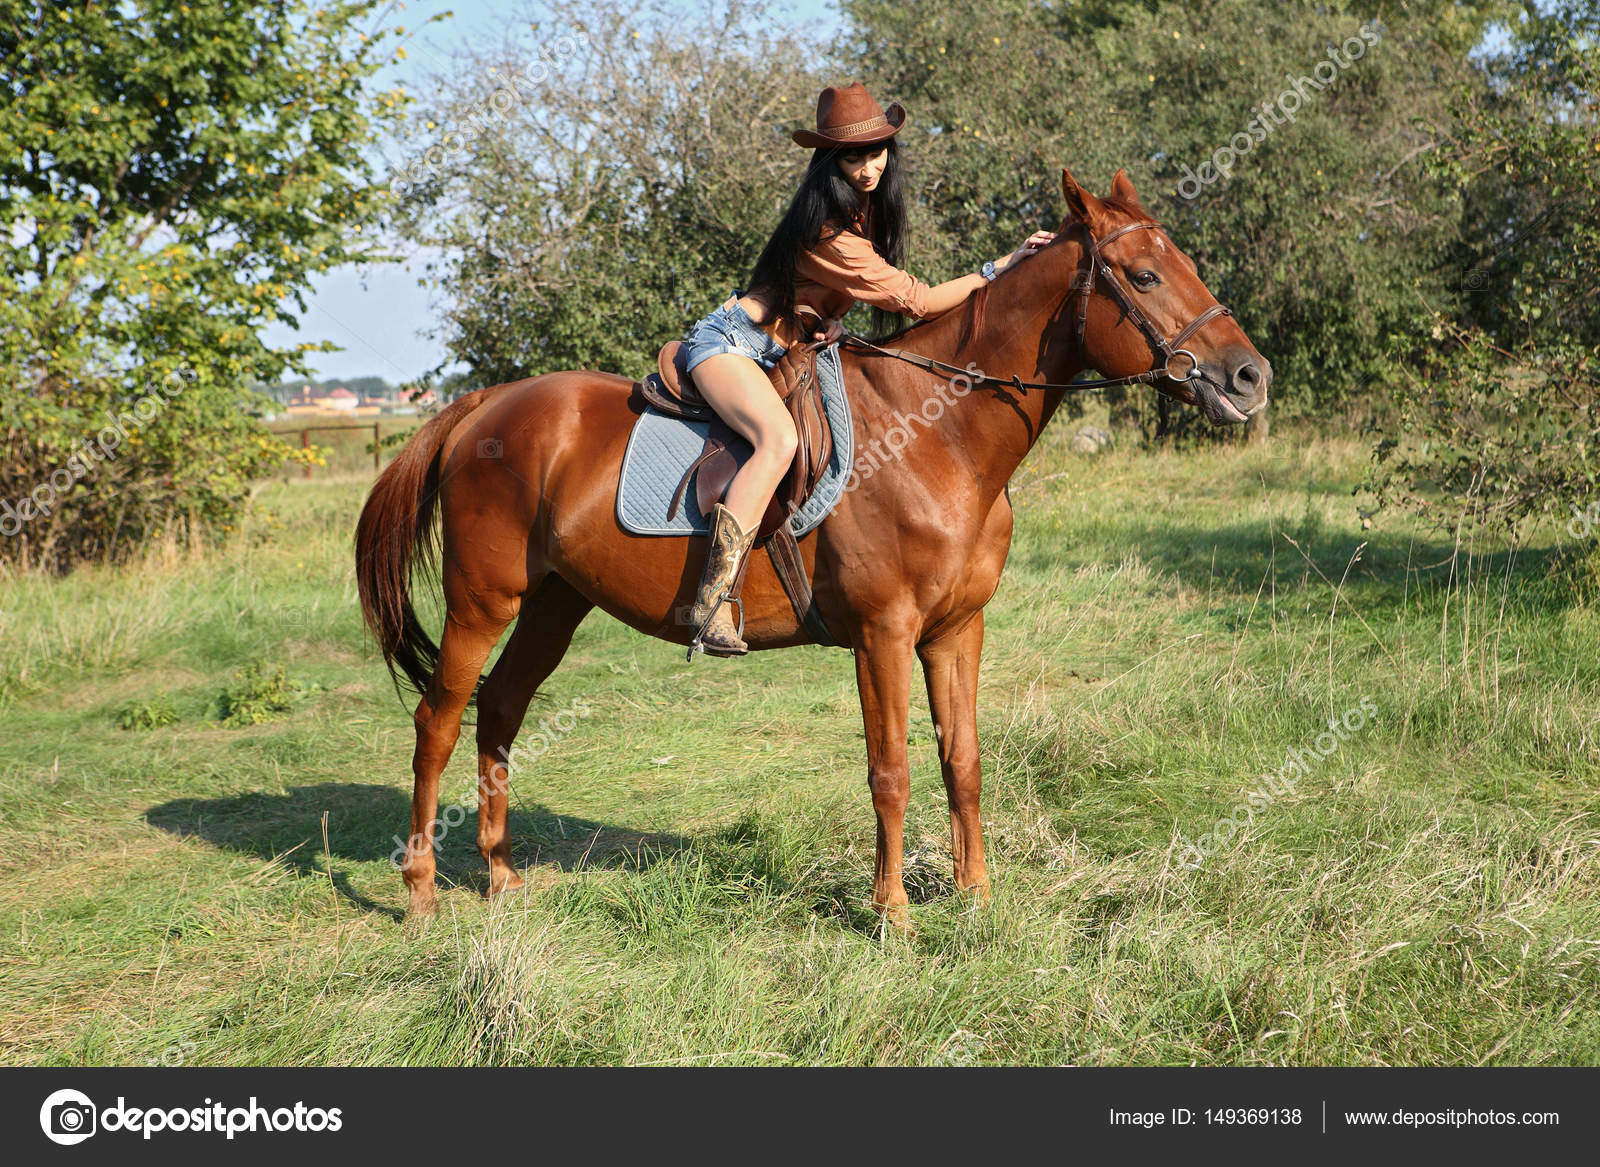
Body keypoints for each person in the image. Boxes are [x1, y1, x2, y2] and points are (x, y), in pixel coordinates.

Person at [681, 81, 1055, 657]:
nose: (867, 167)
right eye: (853, 156)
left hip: (786, 349)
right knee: (777, 441)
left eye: (876, 152)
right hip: (732, 344)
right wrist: (1000, 266)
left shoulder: (862, 217)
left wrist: (823, 320)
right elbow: (917, 301)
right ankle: (713, 602)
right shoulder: (826, 232)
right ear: (830, 163)